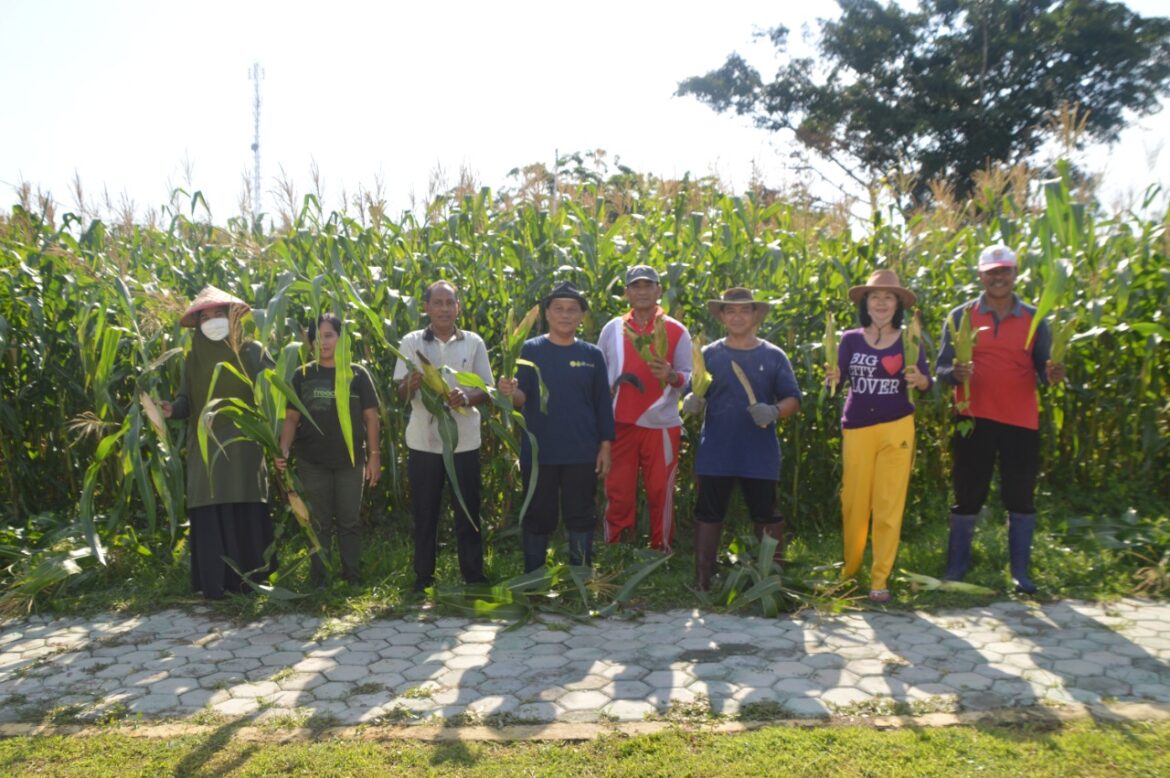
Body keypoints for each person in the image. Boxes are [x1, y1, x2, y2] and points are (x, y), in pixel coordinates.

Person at [936, 244, 1066, 594]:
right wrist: (954, 373)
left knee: (1020, 496)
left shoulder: (1035, 318)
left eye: (1004, 270)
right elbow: (941, 368)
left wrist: (1053, 374)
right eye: (991, 271)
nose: (998, 277)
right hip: (972, 418)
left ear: (1015, 273)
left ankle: (1020, 573)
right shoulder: (961, 316)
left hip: (1020, 421)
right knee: (967, 494)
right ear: (981, 275)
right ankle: (957, 567)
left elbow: (1043, 368)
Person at [681, 288, 802, 591]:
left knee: (766, 513)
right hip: (717, 451)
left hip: (759, 453)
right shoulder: (709, 355)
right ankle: (702, 581)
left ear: (755, 316)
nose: (737, 316)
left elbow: (793, 399)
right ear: (721, 316)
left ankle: (771, 580)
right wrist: (691, 402)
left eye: (744, 311)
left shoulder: (774, 356)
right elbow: (694, 392)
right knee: (708, 512)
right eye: (730, 311)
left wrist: (774, 410)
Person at [161, 286, 275, 600]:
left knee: (244, 503)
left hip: (245, 444)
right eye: (205, 316)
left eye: (218, 314)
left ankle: (250, 580)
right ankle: (215, 584)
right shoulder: (193, 357)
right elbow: (187, 399)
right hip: (207, 445)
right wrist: (173, 409)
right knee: (210, 504)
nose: (212, 320)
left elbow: (274, 392)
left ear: (231, 316)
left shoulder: (253, 351)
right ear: (197, 323)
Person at [826, 270, 931, 603]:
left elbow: (926, 382)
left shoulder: (910, 338)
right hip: (857, 427)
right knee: (854, 503)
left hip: (897, 426)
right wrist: (832, 377)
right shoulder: (851, 339)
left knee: (888, 504)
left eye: (889, 297)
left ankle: (880, 579)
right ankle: (850, 570)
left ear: (898, 303)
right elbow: (837, 384)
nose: (882, 302)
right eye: (875, 296)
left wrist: (921, 381)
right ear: (866, 303)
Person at [498, 281, 615, 572]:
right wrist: (510, 393)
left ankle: (582, 576)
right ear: (547, 314)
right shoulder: (529, 349)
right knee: (539, 515)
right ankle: (534, 578)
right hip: (540, 452)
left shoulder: (592, 355)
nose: (565, 315)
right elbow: (522, 399)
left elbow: (602, 403)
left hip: (581, 451)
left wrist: (605, 446)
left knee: (581, 514)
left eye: (572, 310)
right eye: (559, 309)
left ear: (581, 316)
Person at [394, 281, 494, 592]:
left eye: (450, 303)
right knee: (425, 512)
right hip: (424, 443)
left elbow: (486, 389)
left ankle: (473, 576)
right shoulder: (411, 343)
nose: (444, 309)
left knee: (468, 510)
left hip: (465, 441)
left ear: (458, 308)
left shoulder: (473, 342)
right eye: (437, 303)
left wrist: (465, 398)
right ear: (426, 307)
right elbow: (399, 391)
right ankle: (423, 578)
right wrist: (413, 383)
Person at [275, 314, 381, 587]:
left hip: (350, 461)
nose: (323, 342)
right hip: (312, 462)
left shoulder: (357, 375)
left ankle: (352, 578)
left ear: (340, 337)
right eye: (317, 337)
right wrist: (284, 448)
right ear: (310, 342)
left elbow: (371, 418)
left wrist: (374, 458)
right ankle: (320, 580)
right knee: (318, 523)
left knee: (349, 522)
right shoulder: (302, 375)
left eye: (329, 335)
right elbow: (291, 418)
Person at [597, 265, 692, 552]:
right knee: (618, 491)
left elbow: (691, 377)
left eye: (647, 286)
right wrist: (606, 389)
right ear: (626, 292)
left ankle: (660, 548)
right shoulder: (612, 328)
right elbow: (599, 373)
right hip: (619, 424)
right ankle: (617, 547)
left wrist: (672, 376)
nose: (641, 291)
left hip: (661, 423)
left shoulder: (676, 329)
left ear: (659, 290)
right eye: (635, 286)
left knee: (661, 490)